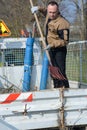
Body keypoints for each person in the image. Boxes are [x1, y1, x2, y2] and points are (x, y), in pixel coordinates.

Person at [31, 1, 70, 88]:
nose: (52, 14)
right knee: (53, 71)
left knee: (60, 72)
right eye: (50, 12)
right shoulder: (48, 16)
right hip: (50, 49)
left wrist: (51, 45)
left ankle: (65, 91)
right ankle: (57, 89)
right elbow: (44, 11)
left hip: (59, 50)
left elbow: (65, 41)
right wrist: (38, 8)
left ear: (58, 11)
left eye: (54, 12)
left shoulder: (63, 23)